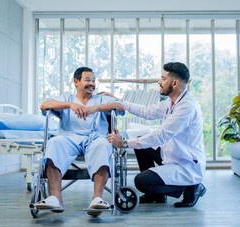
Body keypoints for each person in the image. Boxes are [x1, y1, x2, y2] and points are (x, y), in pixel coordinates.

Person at [107, 62, 206, 208]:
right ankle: (157, 195)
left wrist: (123, 143)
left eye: (163, 78)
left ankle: (192, 187)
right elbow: (148, 111)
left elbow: (161, 136)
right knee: (141, 147)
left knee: (142, 181)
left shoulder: (187, 107)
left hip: (185, 164)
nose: (159, 82)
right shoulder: (172, 102)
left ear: (175, 82)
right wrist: (119, 101)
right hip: (172, 154)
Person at [35, 67, 124, 216]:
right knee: (54, 143)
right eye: (88, 80)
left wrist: (95, 108)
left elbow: (120, 107)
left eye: (94, 81)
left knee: (104, 144)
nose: (92, 84)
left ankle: (97, 199)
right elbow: (44, 105)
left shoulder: (101, 99)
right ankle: (56, 198)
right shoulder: (67, 99)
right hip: (69, 137)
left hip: (95, 137)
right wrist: (70, 105)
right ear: (76, 82)